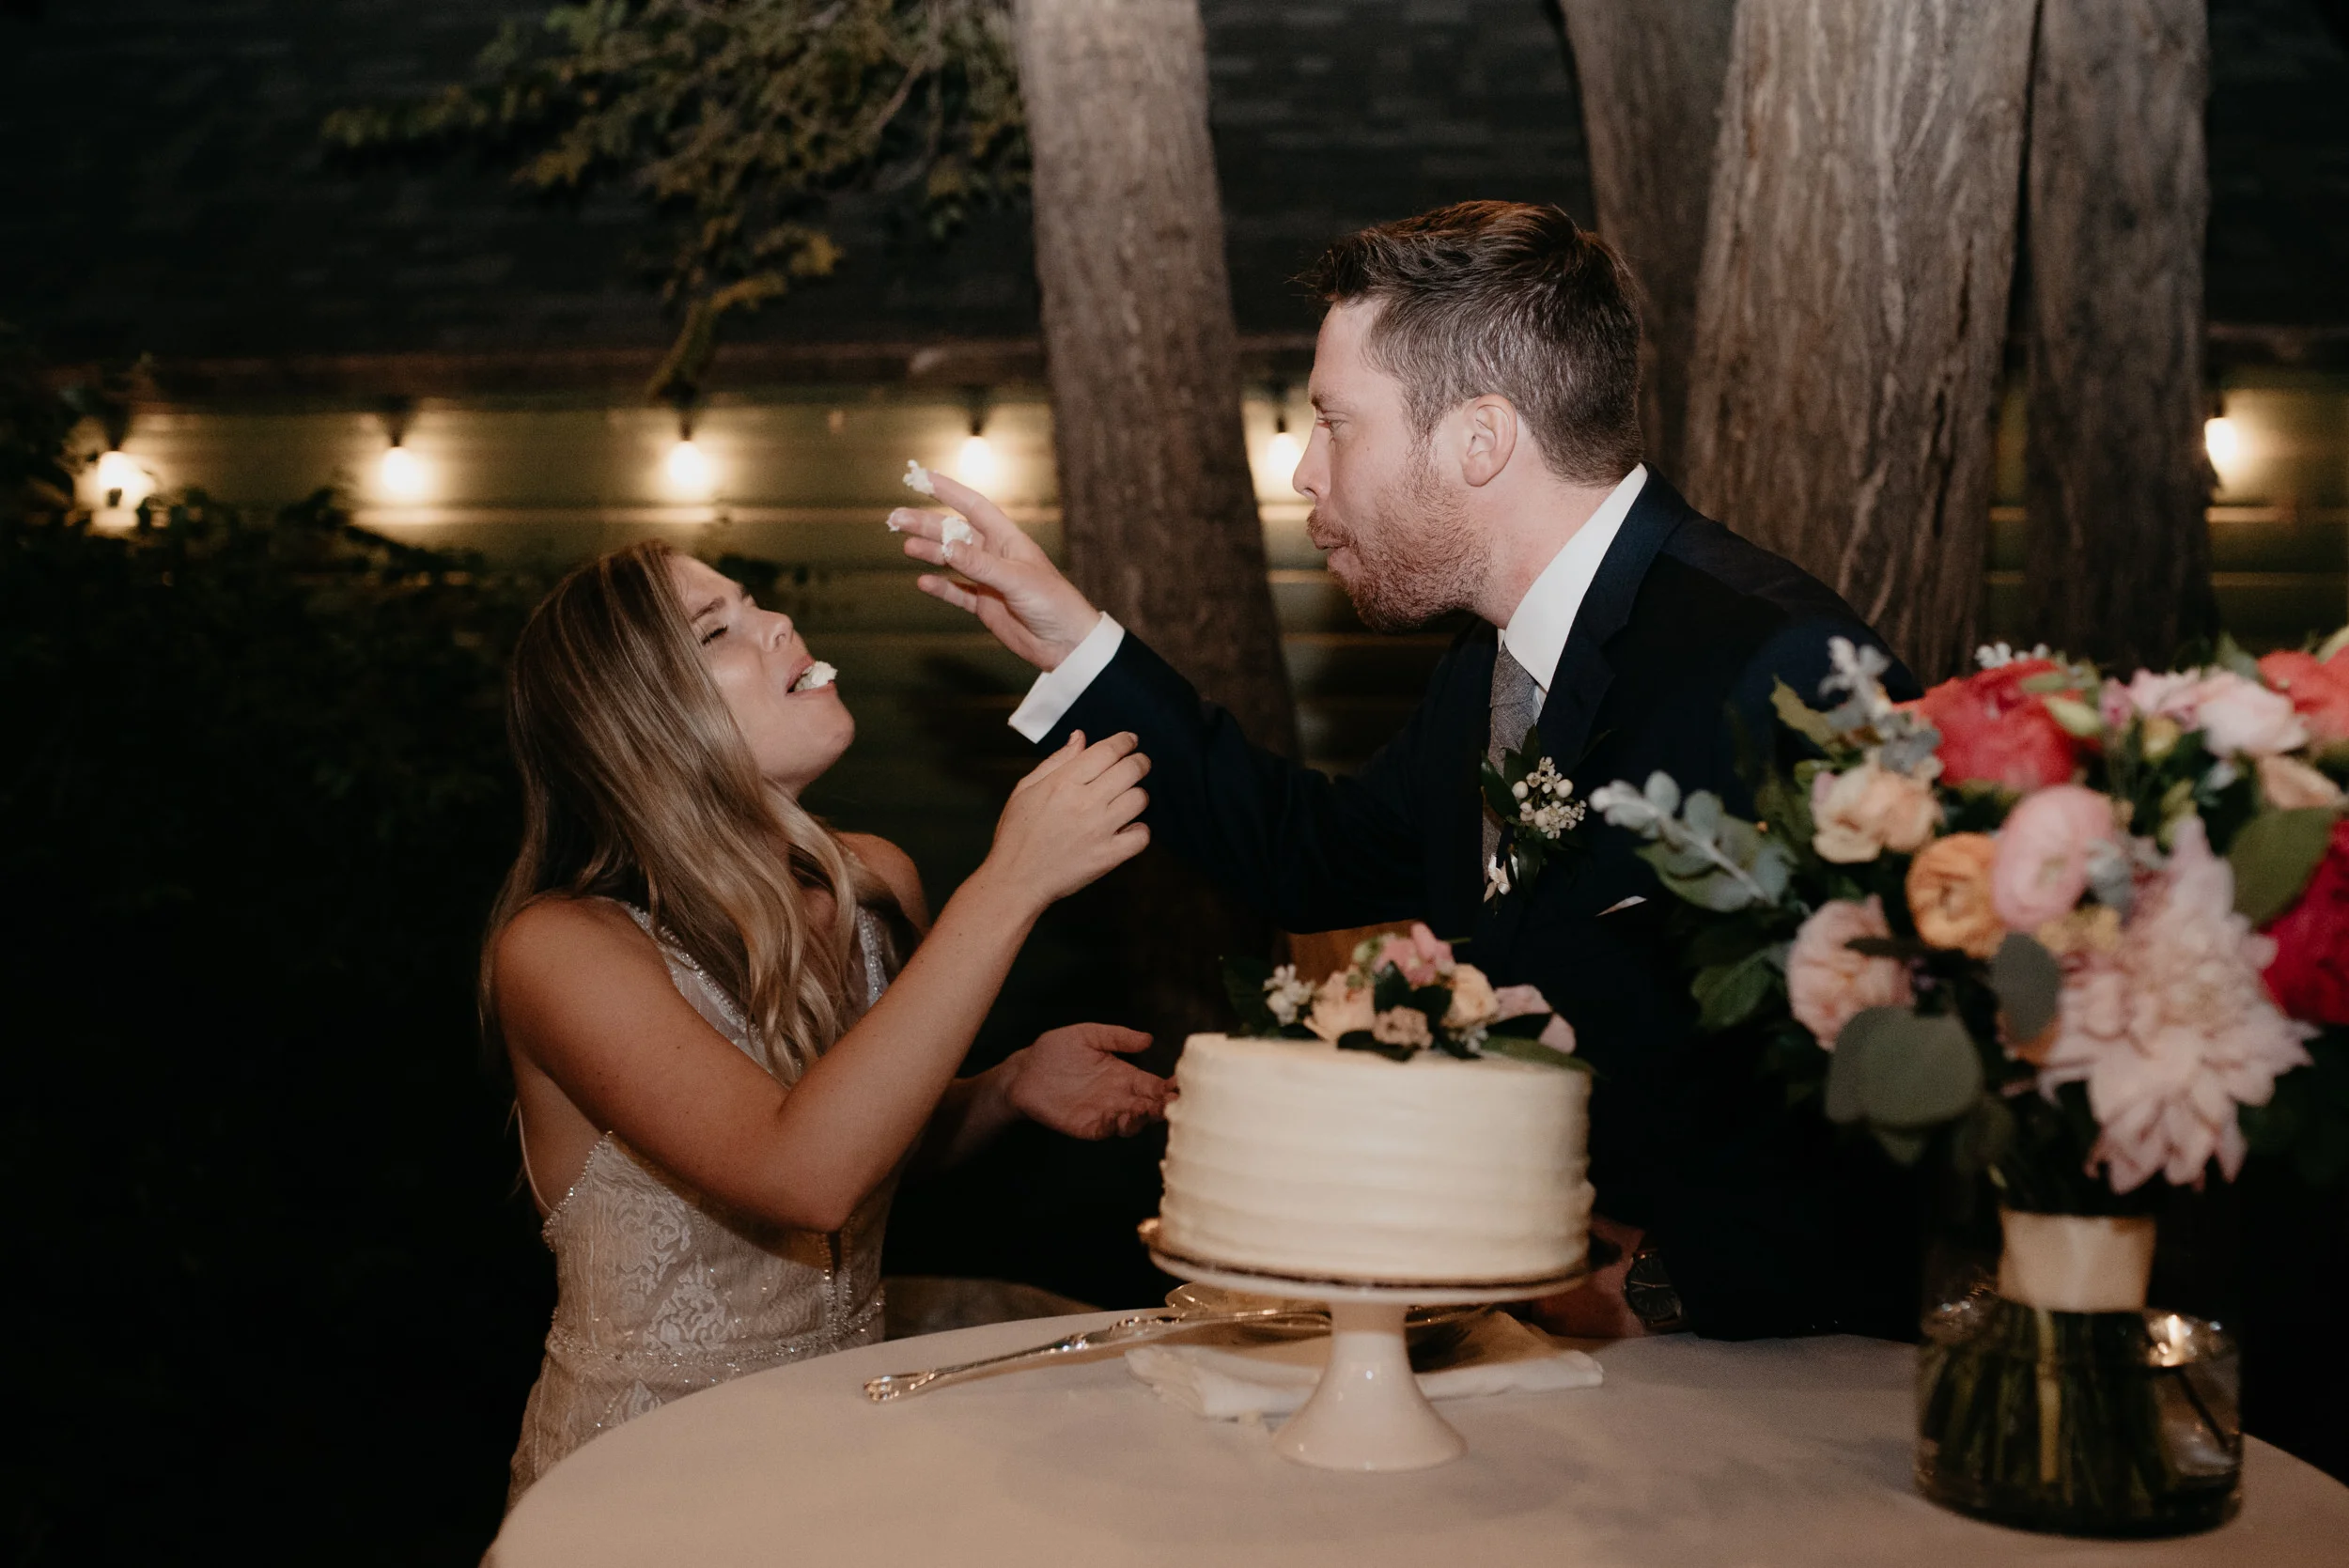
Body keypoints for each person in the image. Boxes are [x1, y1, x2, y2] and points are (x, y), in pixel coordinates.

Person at [893, 201, 1922, 1342]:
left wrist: (1657, 1287)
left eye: (1336, 424)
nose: (1300, 468)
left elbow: (1887, 1084)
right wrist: (1071, 640)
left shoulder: (1774, 666)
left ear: (1477, 440)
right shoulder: (1489, 663)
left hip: (1762, 1392)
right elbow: (1307, 855)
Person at [486, 540, 1168, 1504]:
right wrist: (1011, 884)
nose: (777, 624)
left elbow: (875, 1136)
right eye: (717, 628)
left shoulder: (874, 882)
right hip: (645, 1487)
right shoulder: (563, 949)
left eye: (753, 600)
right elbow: (802, 1178)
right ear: (636, 721)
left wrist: (1005, 1087)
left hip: (844, 1441)